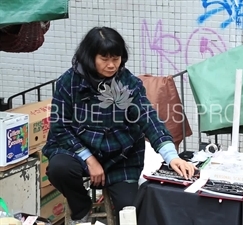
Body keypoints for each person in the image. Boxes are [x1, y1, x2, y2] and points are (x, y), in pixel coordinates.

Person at [42, 26, 196, 224]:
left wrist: (171, 156)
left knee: (129, 211)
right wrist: (89, 159)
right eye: (104, 59)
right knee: (58, 169)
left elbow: (148, 117)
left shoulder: (128, 82)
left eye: (116, 58)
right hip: (77, 151)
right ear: (90, 57)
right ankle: (81, 208)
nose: (111, 65)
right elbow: (60, 127)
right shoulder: (68, 82)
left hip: (121, 156)